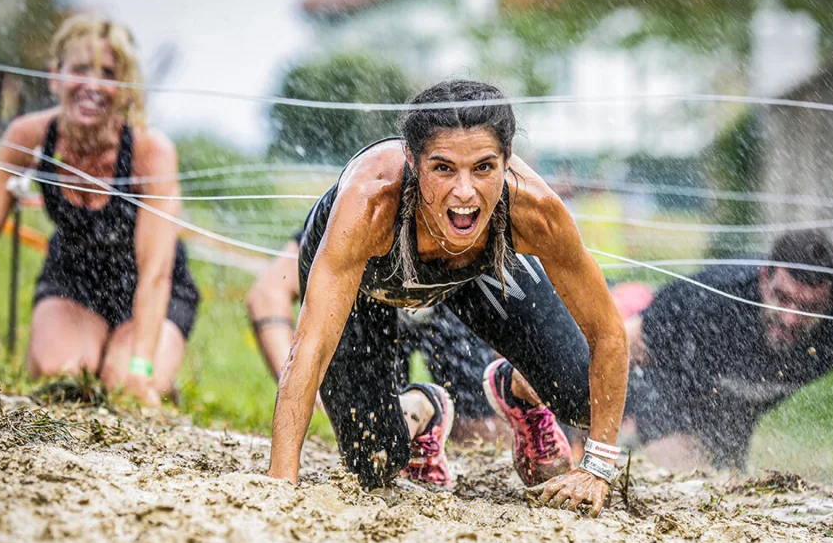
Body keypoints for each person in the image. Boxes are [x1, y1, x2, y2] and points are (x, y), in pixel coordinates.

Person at [267, 79, 629, 516]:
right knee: (376, 460)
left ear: (507, 161)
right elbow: (311, 348)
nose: (464, 193)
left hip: (475, 268)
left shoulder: (535, 211)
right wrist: (280, 486)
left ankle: (520, 391)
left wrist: (598, 468)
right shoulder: (369, 205)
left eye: (483, 168)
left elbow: (608, 332)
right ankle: (425, 409)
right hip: (368, 280)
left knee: (583, 397)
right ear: (414, 161)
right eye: (443, 168)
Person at [0, 14, 199, 406]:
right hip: (74, 278)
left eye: (108, 73)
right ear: (55, 76)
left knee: (124, 384)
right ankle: (96, 351)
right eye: (80, 69)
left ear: (126, 89)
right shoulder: (27, 136)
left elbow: (155, 274)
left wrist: (142, 368)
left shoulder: (150, 152)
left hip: (151, 286)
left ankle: (152, 372)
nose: (92, 85)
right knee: (65, 379)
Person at [623, 229, 833, 487]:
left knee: (729, 488)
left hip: (735, 412)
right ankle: (626, 440)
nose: (790, 318)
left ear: (832, 301)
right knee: (691, 487)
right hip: (666, 392)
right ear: (764, 278)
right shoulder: (713, 297)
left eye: (807, 307)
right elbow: (620, 344)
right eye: (782, 298)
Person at [246, 233, 504, 443]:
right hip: (375, 311)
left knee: (481, 431)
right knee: (373, 431)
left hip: (452, 312)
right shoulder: (357, 210)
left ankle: (432, 420)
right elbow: (267, 294)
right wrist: (299, 381)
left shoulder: (473, 220)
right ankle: (420, 411)